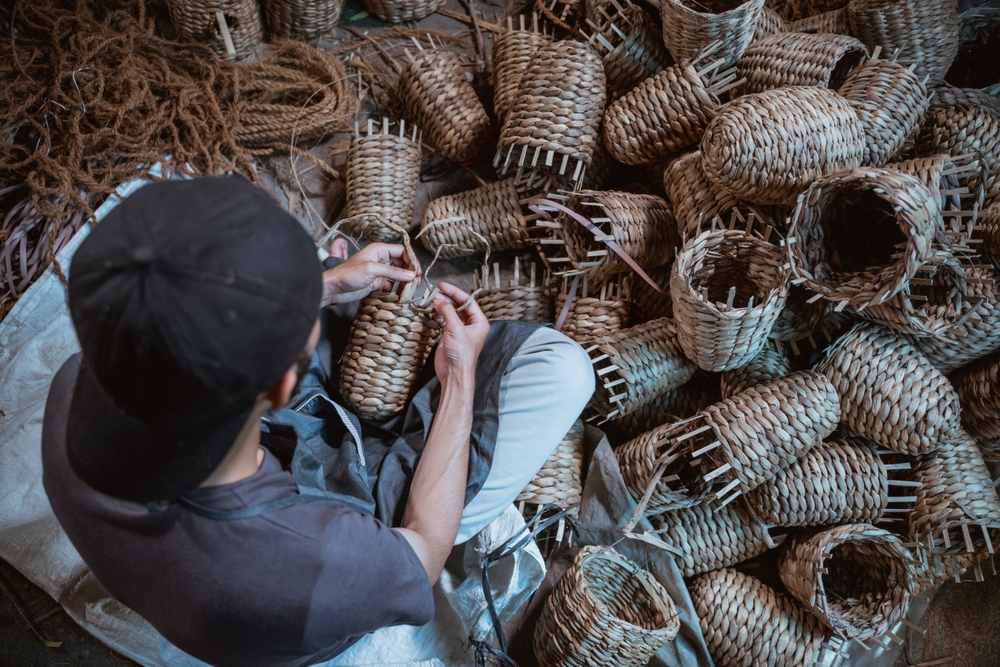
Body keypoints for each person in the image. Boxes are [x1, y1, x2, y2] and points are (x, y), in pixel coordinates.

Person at [41, 176, 594, 667]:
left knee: (316, 261)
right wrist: (460, 380)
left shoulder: (71, 391)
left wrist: (324, 287)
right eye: (301, 332)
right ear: (282, 388)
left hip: (244, 546)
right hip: (320, 573)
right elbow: (424, 552)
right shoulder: (317, 560)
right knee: (566, 371)